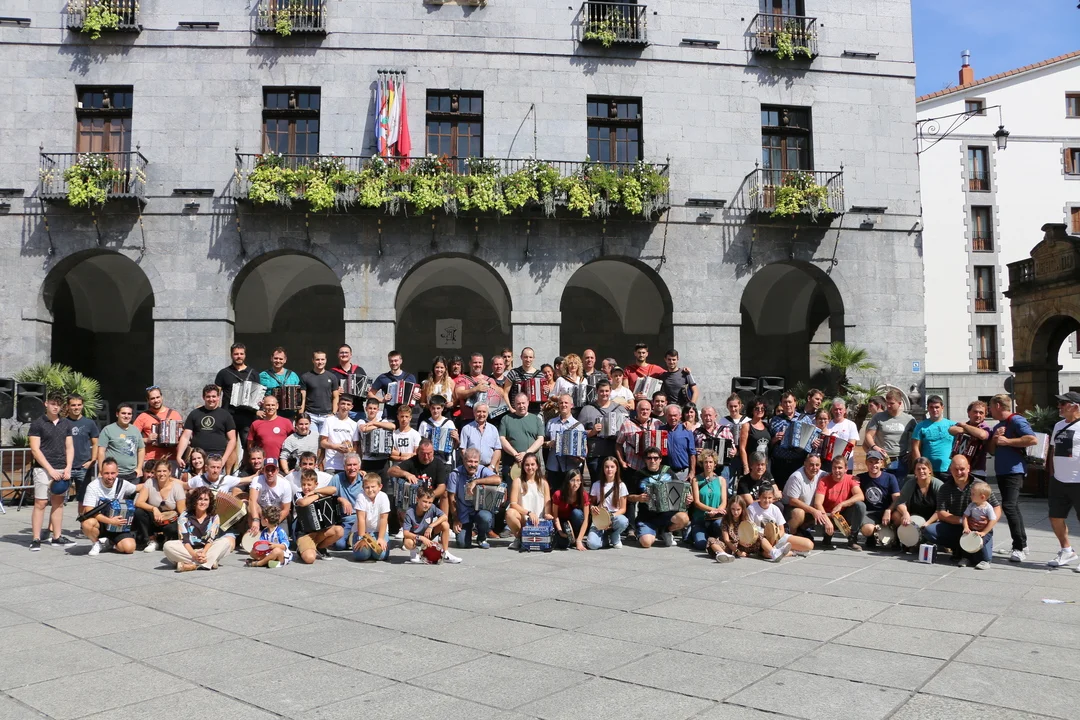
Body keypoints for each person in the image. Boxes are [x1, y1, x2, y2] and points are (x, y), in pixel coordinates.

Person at [923, 455, 1001, 568]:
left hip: (979, 529)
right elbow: (941, 513)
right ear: (950, 469)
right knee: (929, 531)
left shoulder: (980, 485)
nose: (959, 472)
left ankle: (965, 551)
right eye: (955, 469)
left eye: (962, 469)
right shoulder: (945, 488)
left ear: (968, 468)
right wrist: (963, 521)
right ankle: (959, 548)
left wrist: (989, 523)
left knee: (984, 558)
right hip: (957, 526)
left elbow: (996, 507)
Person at [986, 393, 1037, 562]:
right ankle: (1022, 544)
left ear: (998, 406)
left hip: (1014, 471)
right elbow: (992, 450)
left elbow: (1032, 439)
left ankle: (1019, 547)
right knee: (1012, 507)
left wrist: (1007, 441)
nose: (989, 410)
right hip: (1002, 471)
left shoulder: (1016, 420)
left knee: (1008, 506)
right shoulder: (998, 426)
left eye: (990, 407)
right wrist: (995, 438)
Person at [616, 399, 662, 533]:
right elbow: (618, 444)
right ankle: (630, 528)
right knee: (631, 497)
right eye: (642, 409)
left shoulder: (657, 423)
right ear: (636, 410)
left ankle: (653, 525)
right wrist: (622, 461)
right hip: (633, 466)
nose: (645, 412)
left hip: (651, 468)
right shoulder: (627, 424)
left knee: (654, 496)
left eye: (647, 409)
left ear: (651, 410)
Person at [631, 447, 691, 548]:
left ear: (660, 459)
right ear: (645, 460)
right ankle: (648, 532)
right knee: (646, 543)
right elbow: (629, 496)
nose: (652, 461)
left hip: (667, 515)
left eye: (655, 458)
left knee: (684, 519)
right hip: (647, 516)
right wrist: (638, 497)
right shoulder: (639, 475)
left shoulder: (668, 471)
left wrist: (687, 498)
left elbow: (680, 490)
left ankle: (665, 530)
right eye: (649, 458)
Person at [1047, 392, 1080, 569]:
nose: (1059, 406)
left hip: (1078, 480)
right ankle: (1067, 550)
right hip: (1059, 481)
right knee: (1055, 517)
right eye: (1059, 403)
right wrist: (1052, 473)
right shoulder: (1058, 425)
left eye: (1064, 403)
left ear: (1076, 406)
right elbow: (1053, 450)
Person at [164, 486, 233, 572]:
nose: (202, 502)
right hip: (188, 550)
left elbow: (211, 539)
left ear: (210, 502)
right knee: (168, 546)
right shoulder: (184, 516)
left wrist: (203, 553)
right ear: (194, 501)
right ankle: (208, 562)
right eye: (200, 499)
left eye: (206, 500)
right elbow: (184, 540)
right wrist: (194, 554)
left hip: (207, 550)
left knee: (226, 542)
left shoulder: (214, 517)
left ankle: (193, 565)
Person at [80, 458, 139, 556]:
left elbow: (140, 488)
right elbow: (89, 510)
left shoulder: (122, 483)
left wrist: (153, 483)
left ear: (117, 472)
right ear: (101, 472)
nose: (110, 476)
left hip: (117, 524)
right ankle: (96, 543)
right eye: (106, 473)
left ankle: (111, 542)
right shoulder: (93, 486)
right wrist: (110, 521)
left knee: (129, 548)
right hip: (100, 522)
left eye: (113, 473)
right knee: (87, 524)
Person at [214, 343, 260, 463]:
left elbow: (257, 395)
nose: (239, 356)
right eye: (236, 354)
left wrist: (258, 410)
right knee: (230, 446)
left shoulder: (253, 373)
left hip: (247, 416)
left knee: (248, 446)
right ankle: (229, 472)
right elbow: (216, 394)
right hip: (228, 415)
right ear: (231, 355)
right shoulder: (223, 373)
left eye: (241, 354)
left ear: (245, 355)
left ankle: (245, 469)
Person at [176, 385, 237, 474]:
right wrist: (179, 456)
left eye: (214, 396)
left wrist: (223, 459)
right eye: (208, 396)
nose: (211, 399)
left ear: (218, 397)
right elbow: (185, 437)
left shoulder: (226, 415)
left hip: (217, 457)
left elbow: (232, 439)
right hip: (197, 458)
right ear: (203, 397)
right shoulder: (194, 414)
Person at [447, 447, 501, 549]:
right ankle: (467, 533)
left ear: (479, 462)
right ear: (464, 460)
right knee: (462, 544)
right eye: (470, 461)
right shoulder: (455, 474)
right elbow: (452, 498)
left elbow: (498, 479)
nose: (473, 464)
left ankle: (481, 537)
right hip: (464, 512)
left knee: (485, 517)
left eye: (476, 462)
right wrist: (455, 519)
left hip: (480, 510)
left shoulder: (482, 470)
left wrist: (476, 481)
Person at [577, 380, 627, 481]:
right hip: (595, 454)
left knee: (614, 484)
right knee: (596, 483)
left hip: (614, 453)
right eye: (601, 391)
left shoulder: (619, 409)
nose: (604, 394)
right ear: (596, 391)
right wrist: (592, 432)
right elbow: (577, 434)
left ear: (610, 391)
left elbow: (628, 429)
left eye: (607, 391)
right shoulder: (587, 409)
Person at [746, 485, 814, 560]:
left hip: (776, 537)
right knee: (768, 554)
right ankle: (790, 552)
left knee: (809, 544)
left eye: (769, 498)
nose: (767, 500)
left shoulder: (775, 509)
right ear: (759, 497)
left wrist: (775, 539)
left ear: (773, 497)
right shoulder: (751, 508)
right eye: (764, 498)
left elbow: (782, 530)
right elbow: (750, 528)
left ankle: (781, 551)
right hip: (761, 540)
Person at [812, 456, 865, 550]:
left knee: (860, 506)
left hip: (844, 514)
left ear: (846, 469)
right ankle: (827, 537)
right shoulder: (824, 481)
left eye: (840, 468)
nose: (837, 470)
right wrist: (827, 521)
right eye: (834, 467)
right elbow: (817, 503)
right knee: (822, 516)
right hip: (828, 515)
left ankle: (852, 539)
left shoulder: (851, 479)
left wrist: (842, 504)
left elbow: (860, 496)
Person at [133, 459, 186, 553]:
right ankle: (151, 540)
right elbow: (139, 502)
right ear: (155, 473)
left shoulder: (177, 487)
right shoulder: (150, 483)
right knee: (139, 512)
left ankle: (166, 539)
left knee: (171, 529)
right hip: (154, 518)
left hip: (169, 520)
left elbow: (182, 511)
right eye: (159, 471)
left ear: (170, 472)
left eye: (164, 471)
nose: (162, 474)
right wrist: (154, 509)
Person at [293, 469, 344, 563]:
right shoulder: (298, 494)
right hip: (304, 534)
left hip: (320, 531)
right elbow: (303, 503)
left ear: (316, 484)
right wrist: (318, 496)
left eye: (309, 485)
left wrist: (315, 492)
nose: (306, 487)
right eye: (303, 484)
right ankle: (302, 549)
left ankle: (320, 547)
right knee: (310, 559)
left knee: (339, 530)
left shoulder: (317, 491)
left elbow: (334, 489)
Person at [389, 438, 450, 517]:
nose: (426, 457)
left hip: (430, 500)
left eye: (429, 454)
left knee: (444, 493)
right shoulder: (412, 461)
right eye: (423, 453)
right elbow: (391, 470)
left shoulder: (438, 464)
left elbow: (442, 486)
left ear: (433, 452)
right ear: (417, 451)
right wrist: (406, 474)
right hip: (413, 500)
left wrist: (430, 496)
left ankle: (444, 519)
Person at [505, 453, 554, 550]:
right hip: (524, 518)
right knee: (510, 513)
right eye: (527, 465)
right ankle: (519, 538)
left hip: (539, 520)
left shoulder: (544, 483)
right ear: (523, 466)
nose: (530, 467)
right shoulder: (517, 481)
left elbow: (547, 504)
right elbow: (513, 504)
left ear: (537, 466)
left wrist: (547, 515)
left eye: (532, 464)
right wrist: (529, 513)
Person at [403, 487, 462, 563]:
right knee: (408, 542)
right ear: (417, 499)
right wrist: (421, 538)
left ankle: (445, 553)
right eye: (424, 501)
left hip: (428, 534)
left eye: (430, 502)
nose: (427, 505)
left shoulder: (432, 508)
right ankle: (415, 551)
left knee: (445, 524)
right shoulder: (409, 512)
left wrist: (431, 526)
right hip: (415, 538)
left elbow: (444, 516)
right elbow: (406, 533)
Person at [864, 389, 916, 475]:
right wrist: (875, 447)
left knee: (900, 483)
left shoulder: (909, 419)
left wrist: (912, 452)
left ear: (899, 403)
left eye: (891, 403)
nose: (888, 406)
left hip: (902, 459)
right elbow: (868, 435)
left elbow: (917, 438)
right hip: (882, 458)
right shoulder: (878, 417)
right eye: (887, 403)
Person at [891, 457, 943, 541]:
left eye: (924, 468)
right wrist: (905, 513)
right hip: (914, 516)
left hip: (933, 518)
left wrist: (927, 523)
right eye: (918, 469)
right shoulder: (910, 483)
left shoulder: (938, 485)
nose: (921, 471)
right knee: (896, 515)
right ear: (915, 471)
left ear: (930, 470)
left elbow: (941, 509)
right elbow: (900, 502)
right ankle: (898, 539)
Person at [858, 449, 901, 548]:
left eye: (876, 462)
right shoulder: (860, 478)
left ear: (881, 463)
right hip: (869, 513)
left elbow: (897, 498)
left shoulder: (890, 477)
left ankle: (896, 537)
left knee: (899, 516)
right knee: (867, 529)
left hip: (886, 511)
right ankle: (871, 536)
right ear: (866, 463)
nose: (874, 465)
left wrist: (888, 510)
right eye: (870, 462)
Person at [768, 391, 812, 488]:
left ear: (795, 403)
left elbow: (811, 439)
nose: (787, 405)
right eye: (785, 402)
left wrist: (813, 443)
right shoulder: (775, 420)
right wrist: (775, 439)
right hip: (780, 463)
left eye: (790, 402)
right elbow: (768, 443)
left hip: (798, 462)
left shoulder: (805, 419)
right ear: (781, 404)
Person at [499, 391, 546, 480]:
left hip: (532, 465)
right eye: (518, 403)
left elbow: (540, 440)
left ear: (528, 403)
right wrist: (515, 454)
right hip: (512, 464)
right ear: (514, 405)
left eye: (523, 403)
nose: (521, 406)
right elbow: (502, 439)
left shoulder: (536, 420)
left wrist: (526, 453)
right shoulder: (506, 419)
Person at [587, 457, 630, 550]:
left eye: (612, 467)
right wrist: (592, 508)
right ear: (603, 468)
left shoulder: (621, 485)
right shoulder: (596, 485)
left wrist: (610, 517)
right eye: (606, 467)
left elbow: (623, 509)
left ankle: (615, 535)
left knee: (623, 521)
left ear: (616, 468)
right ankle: (605, 539)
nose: (609, 469)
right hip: (600, 516)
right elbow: (591, 503)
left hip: (614, 516)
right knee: (592, 545)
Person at [97, 404, 145, 485]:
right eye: (123, 413)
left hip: (132, 474)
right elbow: (101, 451)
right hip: (113, 474)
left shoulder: (135, 430)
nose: (126, 416)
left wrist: (139, 468)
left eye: (129, 414)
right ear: (117, 414)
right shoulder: (108, 430)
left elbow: (141, 449)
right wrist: (101, 470)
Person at [689, 449, 726, 551]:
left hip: (716, 518)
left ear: (715, 464)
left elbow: (724, 501)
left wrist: (717, 512)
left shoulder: (721, 480)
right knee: (701, 545)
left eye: (710, 462)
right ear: (702, 463)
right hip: (700, 518)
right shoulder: (696, 480)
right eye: (706, 462)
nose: (708, 465)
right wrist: (712, 510)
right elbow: (697, 502)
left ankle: (714, 539)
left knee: (719, 525)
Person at [133, 386, 183, 463]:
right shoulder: (143, 416)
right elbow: (132, 437)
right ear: (148, 400)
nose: (156, 400)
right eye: (152, 398)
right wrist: (147, 440)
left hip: (171, 458)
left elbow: (183, 437)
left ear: (162, 397)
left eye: (158, 397)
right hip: (150, 459)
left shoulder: (174, 414)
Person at [782, 454, 827, 538]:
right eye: (811, 465)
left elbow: (836, 478)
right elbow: (793, 501)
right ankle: (788, 535)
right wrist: (814, 511)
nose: (814, 468)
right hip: (790, 509)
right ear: (805, 464)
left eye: (817, 465)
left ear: (820, 465)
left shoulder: (822, 474)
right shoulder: (796, 477)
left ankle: (801, 531)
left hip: (808, 509)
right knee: (799, 513)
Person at [910, 395, 956, 477]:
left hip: (949, 469)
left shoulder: (952, 425)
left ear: (942, 407)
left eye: (937, 407)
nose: (934, 410)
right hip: (928, 470)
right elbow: (915, 448)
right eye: (931, 407)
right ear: (928, 408)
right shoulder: (920, 426)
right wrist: (919, 468)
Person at [66, 393, 99, 506]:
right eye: (73, 405)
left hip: (83, 467)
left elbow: (95, 443)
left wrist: (93, 460)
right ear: (68, 406)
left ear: (82, 405)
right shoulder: (62, 422)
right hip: (66, 467)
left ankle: (83, 518)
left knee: (84, 500)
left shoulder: (89, 423)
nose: (76, 407)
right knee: (60, 499)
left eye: (79, 405)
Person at [544, 394, 584, 487]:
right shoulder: (551, 423)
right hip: (553, 466)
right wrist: (549, 443)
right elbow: (543, 443)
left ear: (571, 405)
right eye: (561, 403)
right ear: (558, 405)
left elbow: (583, 448)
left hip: (571, 467)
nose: (563, 405)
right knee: (554, 494)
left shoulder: (579, 426)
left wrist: (579, 457)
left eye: (566, 403)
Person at [248, 458, 293, 540]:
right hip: (261, 513)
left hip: (277, 515)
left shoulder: (285, 484)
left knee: (282, 540)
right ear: (263, 470)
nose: (270, 473)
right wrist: (256, 519)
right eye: (267, 470)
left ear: (277, 471)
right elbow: (252, 500)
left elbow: (285, 510)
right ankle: (253, 532)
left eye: (273, 470)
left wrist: (272, 524)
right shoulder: (257, 480)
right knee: (250, 507)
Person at [959, 480, 1000, 570]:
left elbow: (992, 520)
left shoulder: (988, 508)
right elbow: (965, 516)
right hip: (972, 529)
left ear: (982, 497)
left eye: (973, 494)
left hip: (984, 531)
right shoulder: (971, 505)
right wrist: (966, 527)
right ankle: (966, 558)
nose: (970, 496)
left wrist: (984, 532)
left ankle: (986, 561)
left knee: (982, 544)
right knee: (966, 541)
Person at [370, 349, 420, 421]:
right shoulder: (383, 377)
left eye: (396, 360)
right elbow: (370, 394)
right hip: (389, 415)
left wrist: (417, 396)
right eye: (391, 361)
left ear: (401, 361)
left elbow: (416, 395)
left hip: (405, 416)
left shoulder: (410, 377)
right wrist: (382, 400)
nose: (393, 363)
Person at [328, 453, 365, 550]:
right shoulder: (337, 478)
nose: (352, 468)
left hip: (362, 520)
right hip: (345, 521)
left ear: (359, 466)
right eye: (349, 465)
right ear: (344, 467)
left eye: (355, 464)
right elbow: (327, 497)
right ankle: (350, 538)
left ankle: (353, 538)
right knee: (339, 545)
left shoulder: (365, 480)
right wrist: (340, 499)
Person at [947, 401, 992, 480]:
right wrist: (971, 430)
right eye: (975, 412)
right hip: (957, 469)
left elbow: (982, 435)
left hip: (977, 471)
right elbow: (951, 430)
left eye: (981, 413)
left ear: (985, 415)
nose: (978, 415)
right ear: (968, 413)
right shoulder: (964, 425)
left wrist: (964, 427)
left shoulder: (985, 427)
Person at [299, 350, 340, 436]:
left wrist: (333, 413)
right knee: (313, 440)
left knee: (324, 441)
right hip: (311, 415)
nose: (320, 362)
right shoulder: (305, 377)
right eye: (317, 359)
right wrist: (301, 415)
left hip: (327, 416)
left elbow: (336, 397)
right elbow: (302, 398)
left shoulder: (332, 377)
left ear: (326, 360)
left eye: (322, 359)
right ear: (313, 360)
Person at [352, 472, 391, 562]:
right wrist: (362, 538)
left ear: (380, 487)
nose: (370, 490)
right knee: (362, 555)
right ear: (363, 488)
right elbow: (361, 519)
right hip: (364, 532)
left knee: (381, 555)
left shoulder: (383, 496)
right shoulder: (361, 496)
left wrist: (381, 538)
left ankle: (374, 548)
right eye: (367, 487)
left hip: (378, 532)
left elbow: (384, 519)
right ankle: (364, 548)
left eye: (373, 487)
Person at [248, 395, 294, 468]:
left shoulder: (286, 422)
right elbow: (250, 445)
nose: (270, 407)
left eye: (273, 405)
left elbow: (293, 441)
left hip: (282, 463)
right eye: (268, 405)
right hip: (262, 464)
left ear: (277, 406)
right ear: (263, 406)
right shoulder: (256, 424)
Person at [455, 352, 499, 428]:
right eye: (475, 362)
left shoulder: (489, 380)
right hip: (468, 420)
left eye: (480, 362)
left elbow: (500, 395)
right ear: (470, 363)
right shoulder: (463, 379)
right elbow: (458, 394)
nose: (478, 365)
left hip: (486, 420)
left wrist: (489, 384)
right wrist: (476, 389)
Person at [320, 395, 360, 473]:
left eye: (348, 404)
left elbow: (355, 445)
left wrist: (349, 451)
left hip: (348, 466)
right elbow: (323, 442)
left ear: (351, 407)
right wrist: (335, 447)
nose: (345, 407)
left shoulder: (354, 424)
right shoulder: (328, 420)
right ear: (338, 404)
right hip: (331, 465)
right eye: (343, 403)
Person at [357, 397, 396, 478]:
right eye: (370, 408)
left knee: (384, 485)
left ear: (378, 410)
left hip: (383, 460)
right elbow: (364, 429)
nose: (372, 411)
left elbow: (393, 426)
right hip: (367, 460)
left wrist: (374, 424)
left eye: (374, 409)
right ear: (366, 409)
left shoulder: (383, 421)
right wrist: (380, 426)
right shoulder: (362, 421)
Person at [258, 347, 302, 417]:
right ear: (271, 358)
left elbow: (299, 396)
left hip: (289, 414)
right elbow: (257, 396)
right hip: (269, 414)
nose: (278, 361)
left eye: (281, 359)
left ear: (285, 360)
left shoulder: (293, 375)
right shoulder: (263, 375)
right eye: (276, 358)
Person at [552, 469, 589, 551]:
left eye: (578, 480)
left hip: (576, 521)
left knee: (577, 513)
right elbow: (555, 516)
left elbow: (586, 520)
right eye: (572, 480)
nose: (575, 484)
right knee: (563, 544)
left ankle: (577, 538)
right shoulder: (558, 494)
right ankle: (570, 540)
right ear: (567, 481)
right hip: (562, 522)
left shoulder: (584, 495)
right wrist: (560, 531)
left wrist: (579, 540)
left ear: (581, 482)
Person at [460, 403, 502, 474]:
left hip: (489, 468)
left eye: (484, 412)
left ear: (487, 413)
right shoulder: (466, 429)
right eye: (478, 411)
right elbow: (462, 450)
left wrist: (492, 466)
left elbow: (497, 450)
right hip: (471, 469)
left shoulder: (493, 429)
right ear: (474, 413)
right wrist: (470, 464)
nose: (481, 414)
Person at [419, 394, 458, 468]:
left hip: (446, 461)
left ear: (442, 408)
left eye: (438, 408)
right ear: (430, 408)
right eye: (433, 408)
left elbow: (455, 446)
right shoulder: (424, 424)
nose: (435, 411)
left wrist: (457, 439)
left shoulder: (449, 423)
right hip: (429, 460)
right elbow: (420, 443)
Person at [504, 347, 545, 415]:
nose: (528, 360)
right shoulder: (513, 373)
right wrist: (510, 409)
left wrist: (546, 391)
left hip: (535, 412)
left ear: (533, 358)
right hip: (517, 412)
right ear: (521, 357)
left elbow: (544, 396)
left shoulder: (540, 375)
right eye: (525, 357)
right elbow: (505, 393)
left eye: (530, 357)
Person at [660, 404, 696, 480]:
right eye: (670, 415)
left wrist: (692, 472)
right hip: (665, 473)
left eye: (675, 415)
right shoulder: (660, 430)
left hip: (682, 473)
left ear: (680, 416)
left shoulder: (686, 430)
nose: (673, 418)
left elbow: (692, 453)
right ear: (666, 416)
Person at [739, 398, 773, 476]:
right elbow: (742, 448)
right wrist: (746, 467)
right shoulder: (747, 425)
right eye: (757, 408)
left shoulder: (767, 426)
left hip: (765, 466)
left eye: (762, 408)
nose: (760, 410)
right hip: (752, 466)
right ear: (752, 410)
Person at [420, 356, 457, 420]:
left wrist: (451, 404)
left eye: (442, 367)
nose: (439, 370)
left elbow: (456, 400)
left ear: (445, 369)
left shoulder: (450, 382)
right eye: (437, 367)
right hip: (430, 415)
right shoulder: (427, 383)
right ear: (433, 368)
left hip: (446, 414)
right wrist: (428, 406)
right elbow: (422, 402)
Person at [717, 496, 751, 560]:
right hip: (729, 544)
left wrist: (746, 542)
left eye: (738, 509)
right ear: (729, 508)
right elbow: (726, 540)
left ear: (742, 509)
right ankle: (723, 555)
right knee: (711, 540)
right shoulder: (726, 519)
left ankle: (769, 551)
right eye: (733, 509)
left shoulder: (745, 519)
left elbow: (748, 535)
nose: (735, 512)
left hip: (741, 544)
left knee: (760, 536)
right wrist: (737, 552)